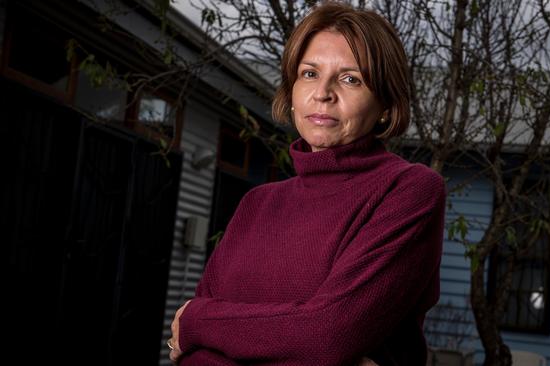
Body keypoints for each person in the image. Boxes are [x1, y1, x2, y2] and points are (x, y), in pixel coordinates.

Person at [168, 2, 446, 365]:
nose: (323, 92)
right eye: (310, 73)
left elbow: (328, 334)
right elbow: (194, 358)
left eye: (351, 79)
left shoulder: (409, 190)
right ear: (292, 91)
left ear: (386, 106)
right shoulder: (257, 203)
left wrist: (196, 320)